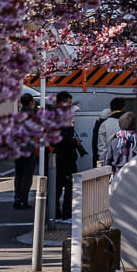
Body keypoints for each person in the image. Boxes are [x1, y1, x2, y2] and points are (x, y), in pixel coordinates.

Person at [51, 92, 85, 222]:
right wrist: (73, 142)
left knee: (62, 186)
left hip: (64, 156)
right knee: (64, 186)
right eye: (68, 103)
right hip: (62, 156)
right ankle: (63, 214)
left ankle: (59, 213)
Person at [12, 94, 39, 209]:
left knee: (18, 175)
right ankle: (24, 200)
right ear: (31, 102)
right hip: (29, 149)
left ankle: (17, 198)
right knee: (27, 176)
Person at [92, 97, 126, 165]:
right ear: (123, 108)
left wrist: (102, 163)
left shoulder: (104, 124)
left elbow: (102, 148)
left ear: (111, 108)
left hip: (110, 161)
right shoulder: (128, 123)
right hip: (126, 160)